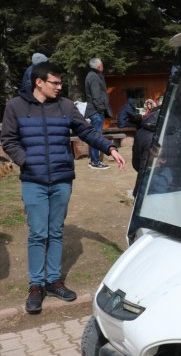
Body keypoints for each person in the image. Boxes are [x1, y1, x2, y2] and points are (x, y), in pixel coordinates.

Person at [0, 61, 126, 315]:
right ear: (39, 82)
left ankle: (54, 281)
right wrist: (27, 162)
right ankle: (36, 286)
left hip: (61, 179)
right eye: (55, 82)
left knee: (56, 231)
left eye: (60, 82)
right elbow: (8, 140)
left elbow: (87, 132)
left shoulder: (66, 106)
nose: (60, 86)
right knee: (38, 233)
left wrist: (109, 148)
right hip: (33, 181)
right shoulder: (15, 106)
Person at [84, 57, 113, 169]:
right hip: (95, 111)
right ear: (99, 66)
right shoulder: (94, 77)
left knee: (94, 136)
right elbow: (96, 95)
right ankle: (95, 162)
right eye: (102, 65)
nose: (103, 67)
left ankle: (94, 160)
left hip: (93, 111)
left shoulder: (91, 75)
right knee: (96, 136)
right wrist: (101, 108)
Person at [132, 96, 163, 196]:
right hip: (155, 190)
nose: (149, 105)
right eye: (147, 104)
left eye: (151, 104)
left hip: (142, 189)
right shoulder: (160, 134)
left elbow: (136, 163)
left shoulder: (145, 123)